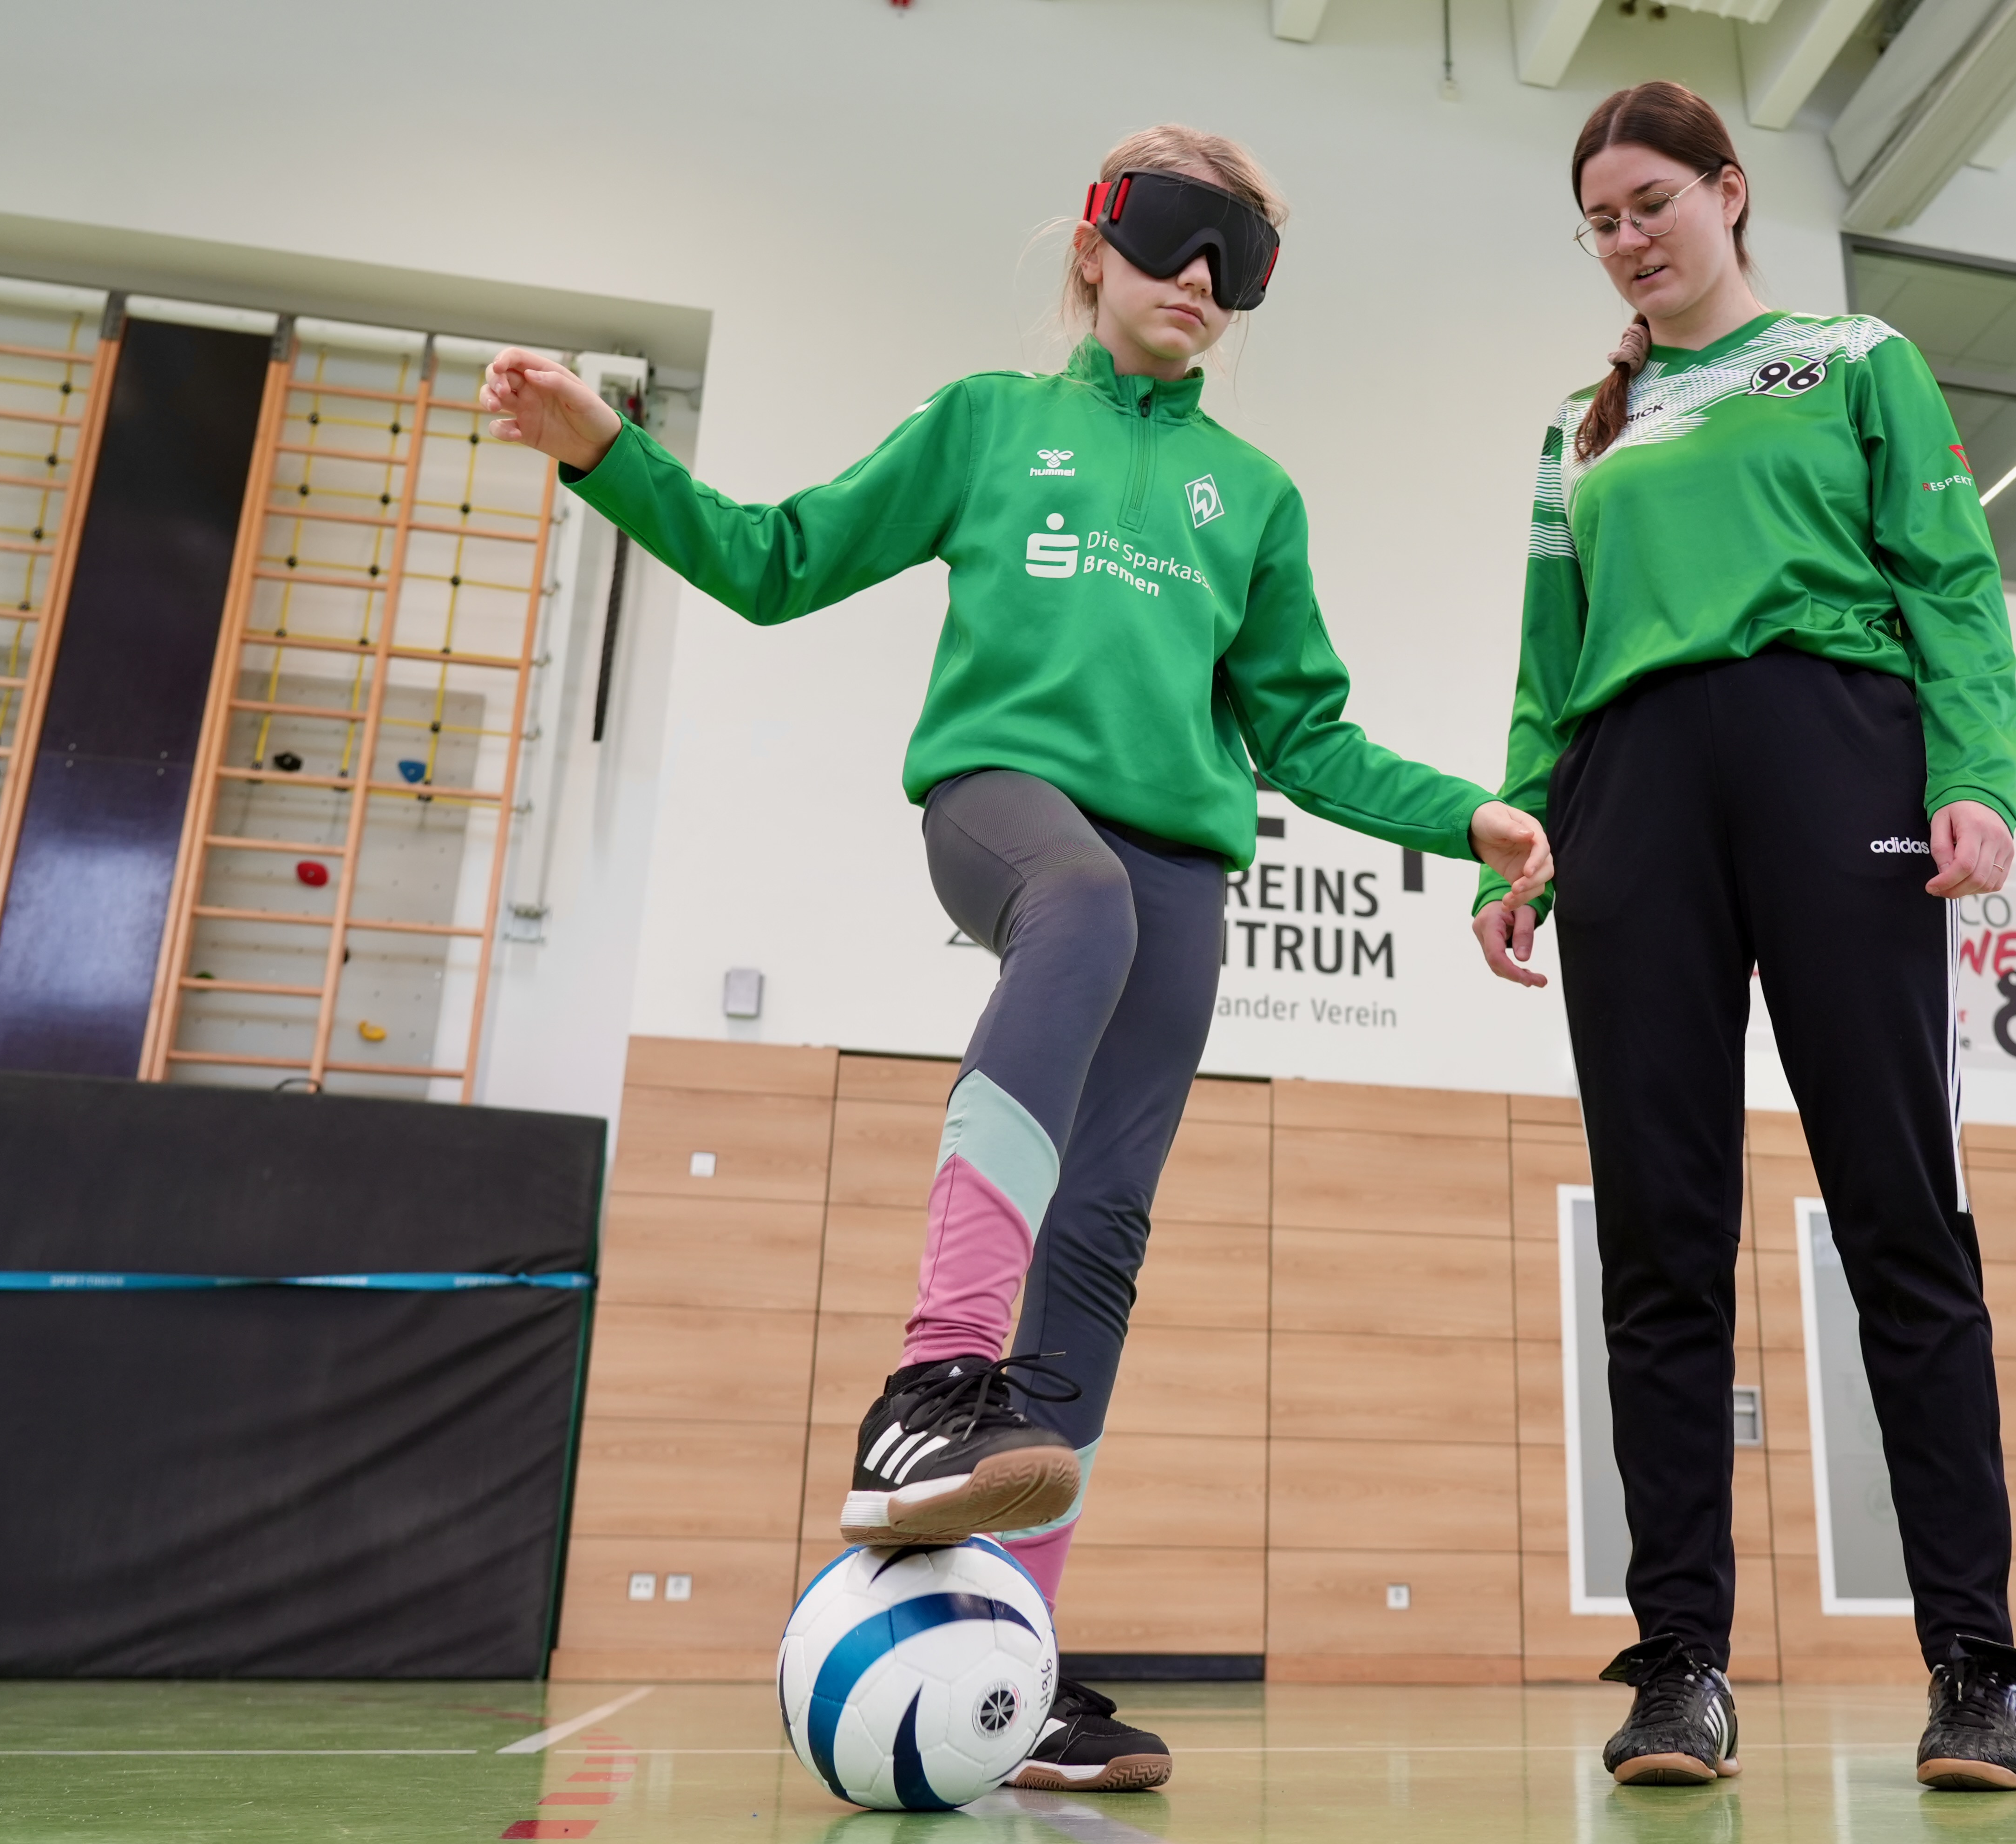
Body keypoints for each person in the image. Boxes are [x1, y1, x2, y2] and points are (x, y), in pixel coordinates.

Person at [484, 125, 1550, 1793]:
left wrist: (1466, 815)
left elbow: (1308, 737)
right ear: (1091, 248)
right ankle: (932, 1379)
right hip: (1009, 803)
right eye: (1176, 237)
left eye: (1240, 260)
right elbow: (772, 563)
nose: (1201, 280)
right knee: (1078, 905)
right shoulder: (989, 424)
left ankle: (1014, 1650)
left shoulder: (1253, 498)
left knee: (1109, 1231)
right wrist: (603, 449)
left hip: (1187, 864)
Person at [1469, 82, 2016, 1792]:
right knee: (1658, 1232)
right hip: (1628, 789)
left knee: (1898, 1209)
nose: (1629, 239)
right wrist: (1518, 825)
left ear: (1728, 195)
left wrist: (1978, 773)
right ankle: (1680, 1665)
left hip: (1833, 754)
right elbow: (1543, 652)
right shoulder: (1578, 427)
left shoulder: (1858, 358)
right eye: (1602, 220)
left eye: (1653, 202)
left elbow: (1950, 574)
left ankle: (1973, 1664)